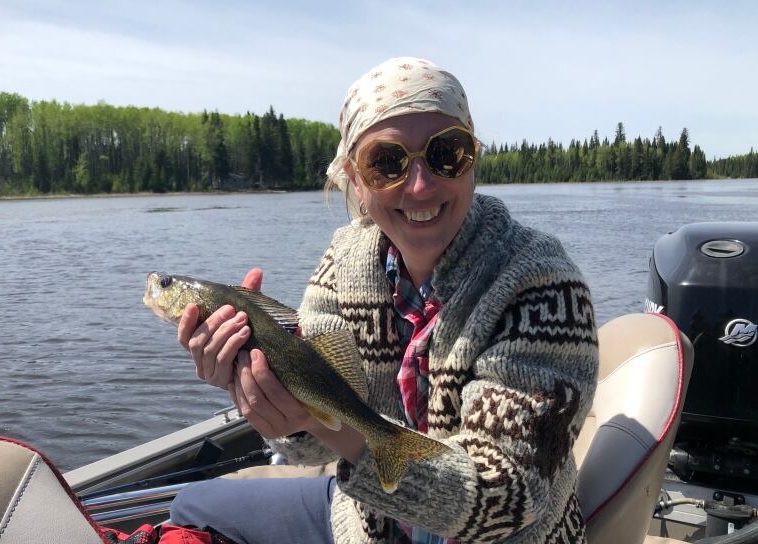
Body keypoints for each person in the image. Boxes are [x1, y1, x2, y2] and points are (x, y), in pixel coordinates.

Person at [170, 57, 599, 543]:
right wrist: (274, 403)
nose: (419, 186)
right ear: (354, 178)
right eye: (386, 162)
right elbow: (311, 449)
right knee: (192, 507)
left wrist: (336, 427)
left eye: (446, 153)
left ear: (473, 159)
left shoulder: (543, 286)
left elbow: (507, 499)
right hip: (367, 524)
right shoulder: (342, 264)